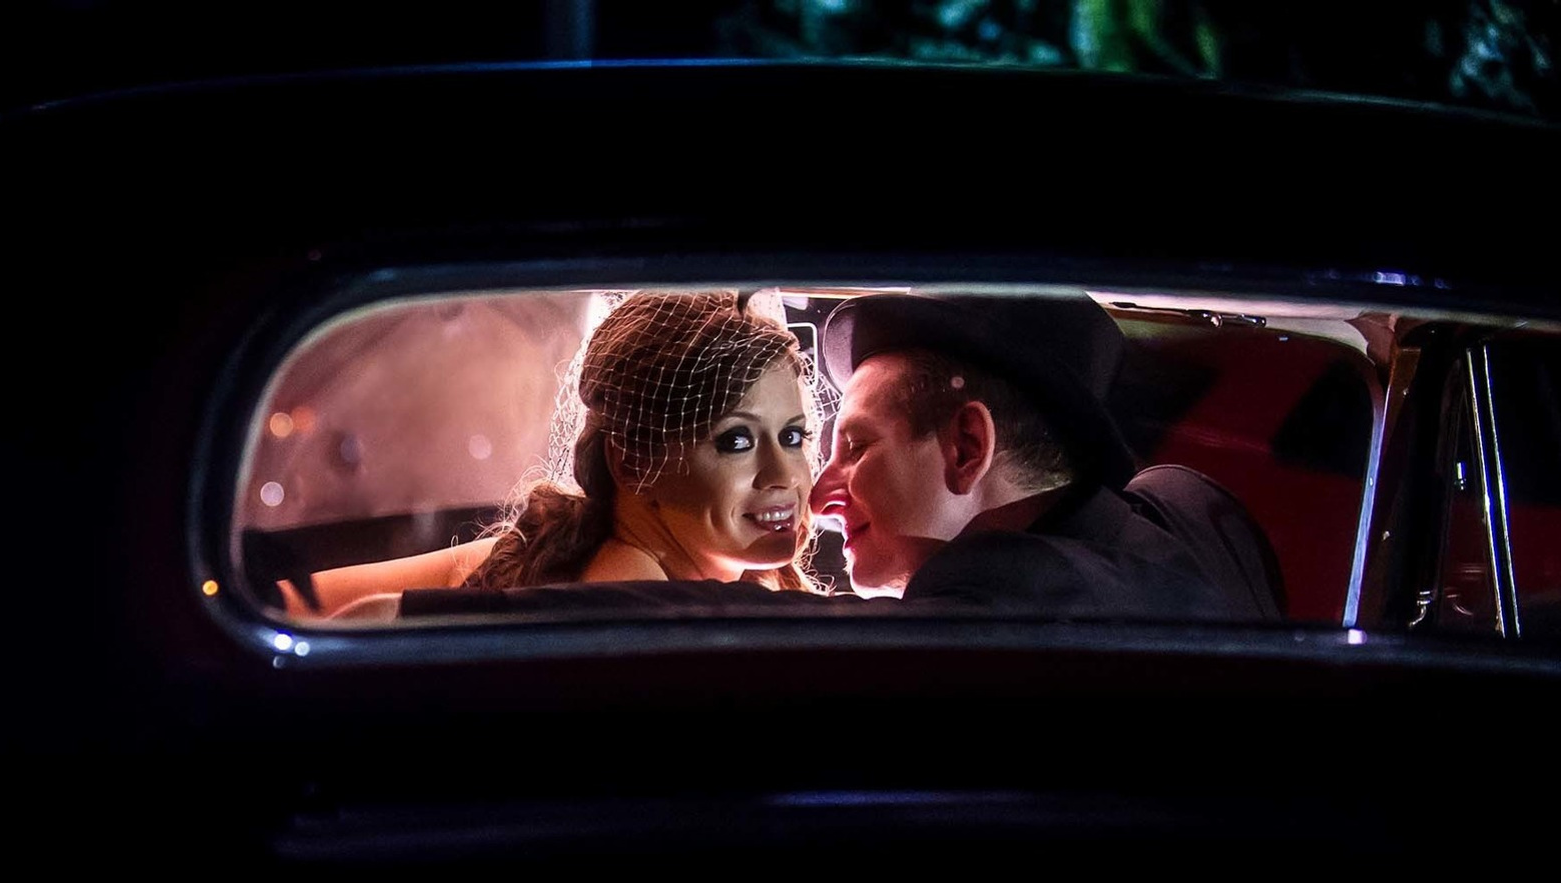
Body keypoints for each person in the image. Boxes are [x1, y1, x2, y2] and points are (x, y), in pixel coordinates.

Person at [395, 290, 1281, 622]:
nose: (814, 488)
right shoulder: (1191, 512)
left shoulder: (972, 637)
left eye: (848, 446)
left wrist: (416, 621)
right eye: (742, 440)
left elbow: (703, 634)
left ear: (968, 445)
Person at [324, 289, 828, 619]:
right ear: (634, 464)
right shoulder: (638, 617)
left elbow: (306, 604)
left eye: (793, 437)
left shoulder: (546, 548)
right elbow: (365, 616)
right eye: (736, 441)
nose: (785, 474)